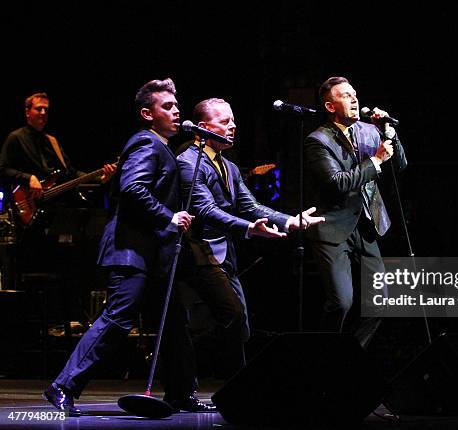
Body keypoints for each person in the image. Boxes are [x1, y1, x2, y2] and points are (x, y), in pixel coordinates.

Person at [43, 78, 204, 416]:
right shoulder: (146, 143)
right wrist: (169, 217)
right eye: (168, 107)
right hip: (132, 251)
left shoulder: (159, 145)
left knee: (172, 321)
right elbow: (133, 189)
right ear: (147, 114)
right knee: (118, 318)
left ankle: (180, 392)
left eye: (177, 106)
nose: (177, 112)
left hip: (152, 254)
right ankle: (63, 384)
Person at [176, 97, 324, 379]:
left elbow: (251, 206)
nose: (232, 126)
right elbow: (206, 210)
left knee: (239, 321)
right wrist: (248, 228)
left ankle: (234, 384)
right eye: (223, 122)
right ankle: (194, 378)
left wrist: (290, 220)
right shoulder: (189, 163)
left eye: (232, 120)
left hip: (224, 253)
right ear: (202, 128)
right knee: (228, 317)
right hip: (198, 253)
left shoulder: (228, 166)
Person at [304, 76, 407, 345]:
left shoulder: (369, 130)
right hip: (333, 227)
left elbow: (400, 166)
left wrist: (388, 131)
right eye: (346, 95)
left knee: (380, 301)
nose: (354, 99)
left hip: (366, 223)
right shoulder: (318, 140)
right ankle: (323, 355)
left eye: (355, 94)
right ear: (330, 106)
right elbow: (337, 183)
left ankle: (350, 356)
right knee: (342, 302)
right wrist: (375, 160)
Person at [0, 91, 115, 211]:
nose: (43, 113)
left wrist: (100, 177)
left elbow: (70, 173)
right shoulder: (15, 137)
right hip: (26, 207)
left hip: (54, 208)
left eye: (46, 110)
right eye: (39, 109)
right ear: (27, 112)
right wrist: (29, 178)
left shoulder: (52, 141)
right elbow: (2, 169)